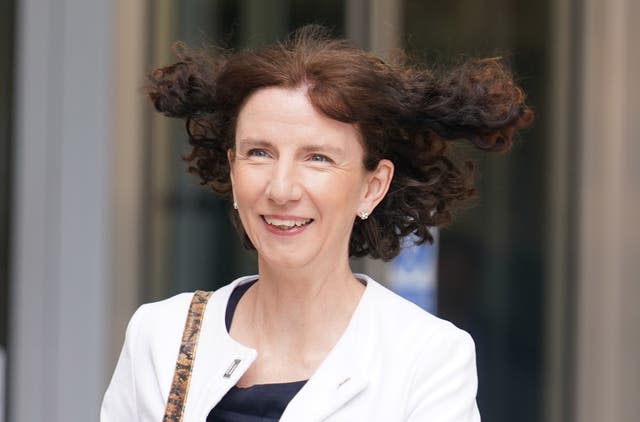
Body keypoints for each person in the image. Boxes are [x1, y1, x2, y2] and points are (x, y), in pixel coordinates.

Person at [101, 25, 532, 421]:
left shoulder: (426, 357)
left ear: (372, 185)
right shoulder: (162, 334)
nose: (282, 188)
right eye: (259, 153)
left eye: (318, 158)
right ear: (231, 170)